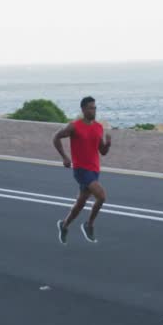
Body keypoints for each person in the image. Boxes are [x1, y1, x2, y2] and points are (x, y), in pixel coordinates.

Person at [53, 96, 111, 244]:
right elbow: (56, 137)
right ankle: (89, 225)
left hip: (94, 170)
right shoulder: (74, 126)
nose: (94, 111)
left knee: (81, 203)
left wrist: (108, 144)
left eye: (95, 108)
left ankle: (64, 225)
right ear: (83, 109)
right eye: (91, 108)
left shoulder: (98, 127)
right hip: (81, 169)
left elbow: (102, 151)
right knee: (101, 196)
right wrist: (65, 157)